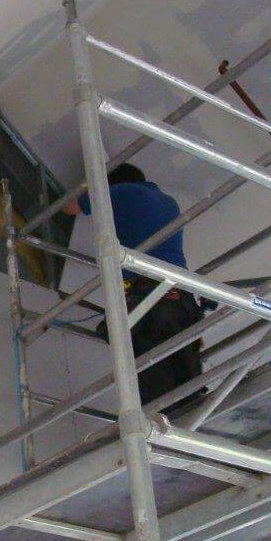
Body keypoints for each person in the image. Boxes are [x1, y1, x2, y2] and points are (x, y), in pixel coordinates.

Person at [62, 163, 203, 411]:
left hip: (151, 301)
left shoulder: (121, 191)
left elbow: (68, 208)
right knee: (187, 383)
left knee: (156, 391)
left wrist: (91, 186)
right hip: (182, 300)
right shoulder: (169, 203)